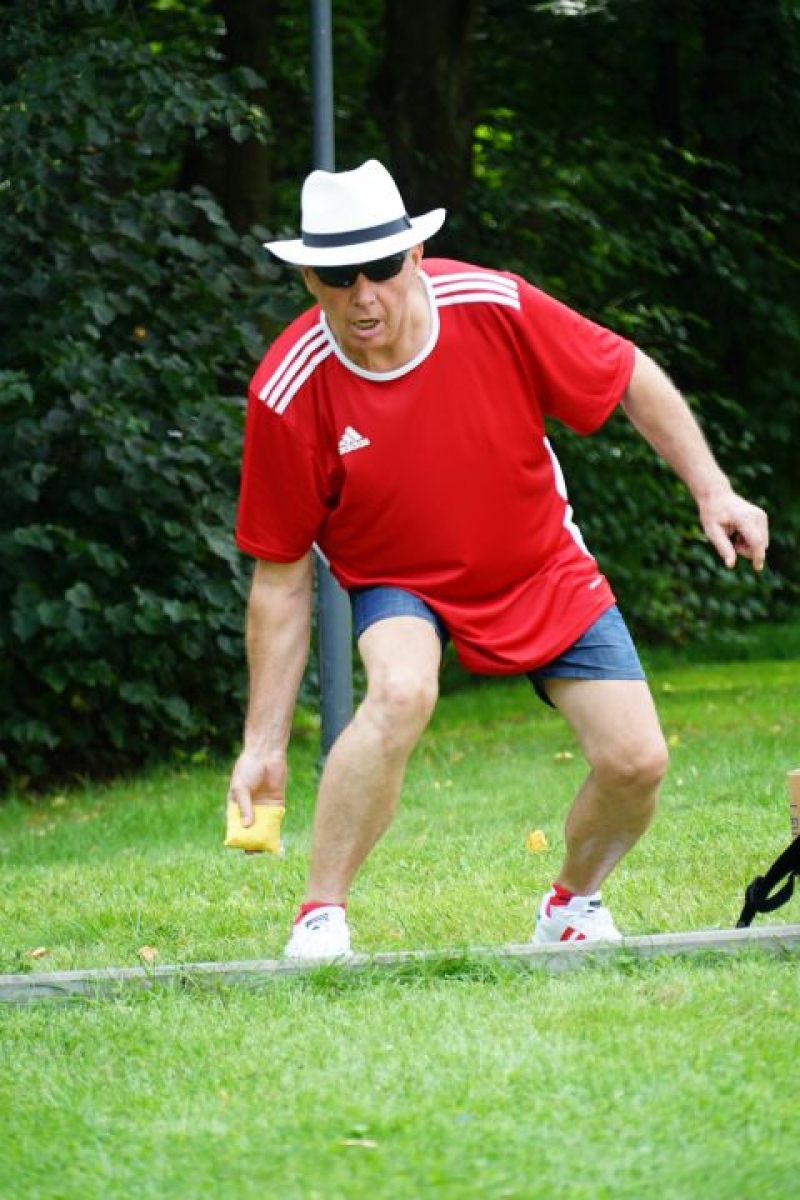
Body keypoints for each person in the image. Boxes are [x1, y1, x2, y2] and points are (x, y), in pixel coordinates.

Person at [227, 159, 769, 960]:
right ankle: (320, 917)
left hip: (536, 560)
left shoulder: (494, 305)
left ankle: (571, 906)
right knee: (401, 691)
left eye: (381, 267)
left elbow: (626, 372)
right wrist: (263, 744)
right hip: (397, 576)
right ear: (310, 278)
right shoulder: (289, 386)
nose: (364, 295)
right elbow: (279, 578)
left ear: (415, 256)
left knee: (636, 761)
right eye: (339, 277)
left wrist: (713, 490)